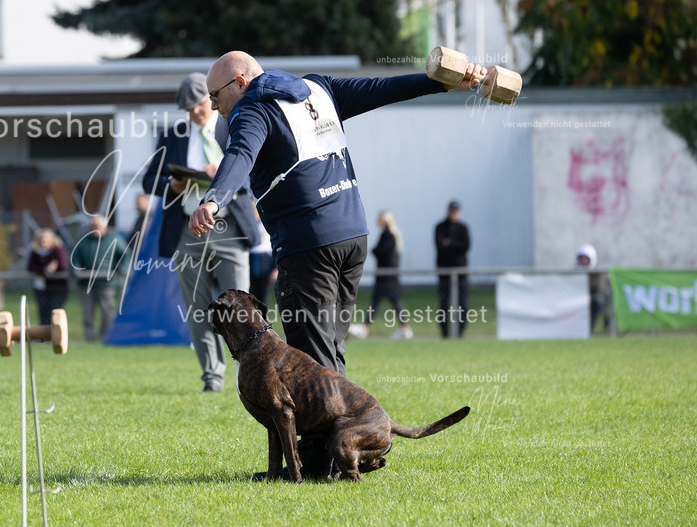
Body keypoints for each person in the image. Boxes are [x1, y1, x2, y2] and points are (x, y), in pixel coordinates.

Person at [188, 50, 486, 478]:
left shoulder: (253, 106)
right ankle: (343, 447)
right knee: (328, 352)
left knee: (311, 356)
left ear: (239, 82)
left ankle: (320, 463)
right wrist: (440, 81)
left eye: (215, 96)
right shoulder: (316, 88)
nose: (213, 105)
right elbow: (381, 89)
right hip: (352, 235)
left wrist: (214, 198)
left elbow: (238, 155)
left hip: (309, 243)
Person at [142, 72, 259, 392]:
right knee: (197, 307)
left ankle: (245, 375)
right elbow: (148, 180)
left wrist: (219, 172)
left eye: (198, 105)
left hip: (229, 228)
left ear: (212, 98)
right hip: (186, 232)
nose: (194, 112)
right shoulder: (172, 137)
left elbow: (252, 170)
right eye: (187, 108)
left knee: (238, 306)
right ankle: (212, 376)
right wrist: (173, 183)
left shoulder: (235, 125)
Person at [350, 210, 411, 340]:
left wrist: (375, 250)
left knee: (386, 302)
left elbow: (379, 251)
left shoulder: (388, 235)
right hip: (387, 276)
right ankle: (403, 328)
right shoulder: (391, 235)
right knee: (382, 302)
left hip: (387, 277)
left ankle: (403, 328)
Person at [71, 214, 131, 341]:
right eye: (92, 226)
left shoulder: (114, 239)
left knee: (107, 313)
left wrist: (122, 269)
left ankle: (105, 337)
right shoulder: (83, 240)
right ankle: (89, 338)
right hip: (86, 284)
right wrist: (75, 269)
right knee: (88, 313)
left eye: (97, 226)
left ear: (105, 226)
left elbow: (125, 255)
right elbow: (75, 258)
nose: (94, 228)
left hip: (107, 284)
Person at [434, 200, 470, 338]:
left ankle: (459, 333)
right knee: (444, 304)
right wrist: (455, 246)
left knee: (462, 305)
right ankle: (445, 333)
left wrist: (450, 243)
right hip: (444, 272)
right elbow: (440, 246)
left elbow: (465, 246)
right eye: (451, 211)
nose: (454, 214)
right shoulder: (440, 227)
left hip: (461, 273)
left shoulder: (463, 228)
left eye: (456, 212)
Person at [26, 228, 70, 326]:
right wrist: (45, 270)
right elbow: (30, 267)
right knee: (43, 311)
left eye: (46, 238)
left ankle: (56, 335)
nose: (43, 241)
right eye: (42, 238)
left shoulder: (58, 250)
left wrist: (54, 269)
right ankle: (44, 336)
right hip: (41, 289)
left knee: (54, 312)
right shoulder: (36, 252)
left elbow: (64, 265)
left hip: (57, 288)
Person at [576, 244, 611, 335]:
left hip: (592, 299)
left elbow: (599, 289)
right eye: (581, 258)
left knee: (597, 302)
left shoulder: (598, 273)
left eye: (586, 259)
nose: (583, 261)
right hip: (576, 298)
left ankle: (588, 331)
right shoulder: (573, 273)